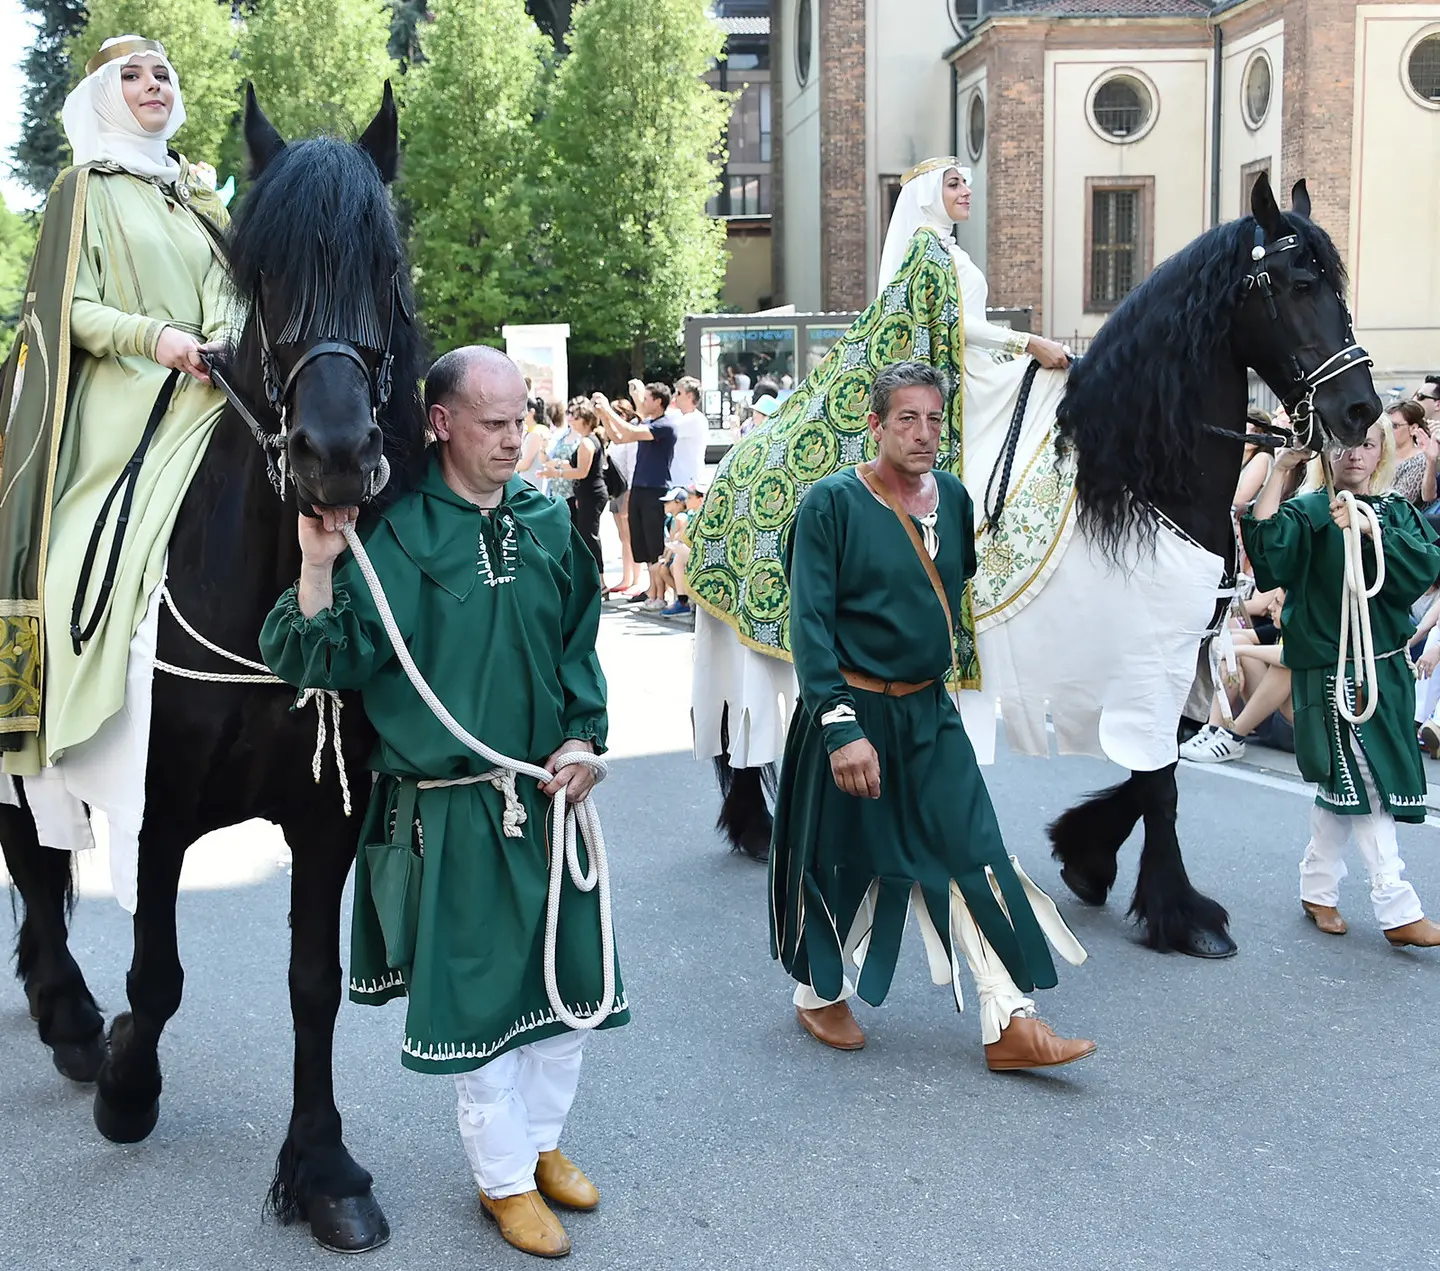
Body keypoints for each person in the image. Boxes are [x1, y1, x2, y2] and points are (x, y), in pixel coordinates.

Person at [259, 345, 628, 1259]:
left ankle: (542, 1147)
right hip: (455, 813)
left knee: (570, 993)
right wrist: (314, 567)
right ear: (440, 424)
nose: (515, 440)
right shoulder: (399, 540)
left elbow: (579, 646)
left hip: (551, 800)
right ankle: (503, 1182)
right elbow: (320, 657)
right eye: (494, 424)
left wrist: (584, 736)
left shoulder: (547, 523)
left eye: (521, 421)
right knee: (483, 1018)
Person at [688, 155, 1070, 790]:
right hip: (961, 369)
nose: (965, 191)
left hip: (963, 377)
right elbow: (954, 326)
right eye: (953, 184)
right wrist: (1027, 343)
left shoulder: (944, 249)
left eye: (967, 182)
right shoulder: (928, 249)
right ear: (925, 196)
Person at [770, 360, 1093, 1067]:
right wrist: (839, 728)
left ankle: (1009, 1019)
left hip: (929, 714)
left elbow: (959, 587)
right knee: (844, 861)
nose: (922, 433)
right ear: (875, 423)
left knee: (975, 851)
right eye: (906, 418)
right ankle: (816, 990)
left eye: (933, 419)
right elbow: (809, 625)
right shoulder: (830, 504)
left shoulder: (952, 497)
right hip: (852, 714)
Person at [0, 36, 234, 903]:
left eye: (163, 74)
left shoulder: (196, 194)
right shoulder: (82, 189)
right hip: (125, 400)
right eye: (130, 76)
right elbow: (68, 309)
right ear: (102, 96)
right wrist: (160, 340)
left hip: (218, 390)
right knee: (70, 566)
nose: (151, 85)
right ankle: (54, 728)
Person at [1240, 421, 1440, 948]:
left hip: (1387, 668)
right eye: (1345, 443)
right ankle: (1396, 905)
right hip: (1332, 670)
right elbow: (1267, 552)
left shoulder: (1395, 512)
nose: (1356, 453)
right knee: (1367, 783)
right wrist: (1283, 467)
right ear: (1328, 450)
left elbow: (1424, 566)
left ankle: (1317, 886)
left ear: (1382, 453)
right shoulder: (1308, 512)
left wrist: (1370, 528)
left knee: (1344, 784)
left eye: (1369, 443)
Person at [604, 381, 676, 608]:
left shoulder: (665, 425)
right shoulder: (649, 423)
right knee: (642, 544)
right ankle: (652, 591)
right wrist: (604, 416)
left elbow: (630, 431)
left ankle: (659, 596)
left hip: (656, 490)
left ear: (658, 401)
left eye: (647, 398)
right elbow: (619, 437)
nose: (643, 402)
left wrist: (607, 409)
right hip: (638, 488)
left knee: (655, 544)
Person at [541, 399, 607, 578]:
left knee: (589, 537)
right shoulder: (586, 440)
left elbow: (581, 472)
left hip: (591, 493)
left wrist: (556, 474)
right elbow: (573, 464)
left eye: (575, 417)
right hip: (587, 493)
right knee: (584, 536)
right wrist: (556, 465)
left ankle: (599, 579)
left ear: (585, 420)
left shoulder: (587, 442)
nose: (571, 420)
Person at [1386, 399, 1438, 507]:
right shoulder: (1380, 455)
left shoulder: (1419, 460)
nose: (1387, 431)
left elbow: (1398, 503)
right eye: (1386, 425)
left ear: (1413, 429)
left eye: (1394, 426)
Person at [669, 375, 708, 491]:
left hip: (688, 483)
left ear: (690, 396)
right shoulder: (678, 415)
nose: (675, 397)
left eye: (679, 393)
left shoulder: (695, 419)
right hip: (677, 481)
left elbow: (667, 429)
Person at [515, 395, 551, 493]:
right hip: (535, 484)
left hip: (531, 485)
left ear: (531, 412)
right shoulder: (541, 429)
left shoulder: (536, 433)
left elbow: (525, 464)